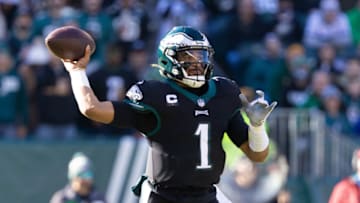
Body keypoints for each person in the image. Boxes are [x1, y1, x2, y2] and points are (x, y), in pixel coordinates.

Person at [60, 26, 277, 203]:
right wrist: (77, 72)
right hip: (164, 197)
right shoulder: (155, 96)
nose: (197, 64)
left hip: (206, 195)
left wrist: (257, 127)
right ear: (168, 59)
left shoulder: (223, 93)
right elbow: (92, 108)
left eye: (201, 56)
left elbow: (257, 154)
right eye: (188, 57)